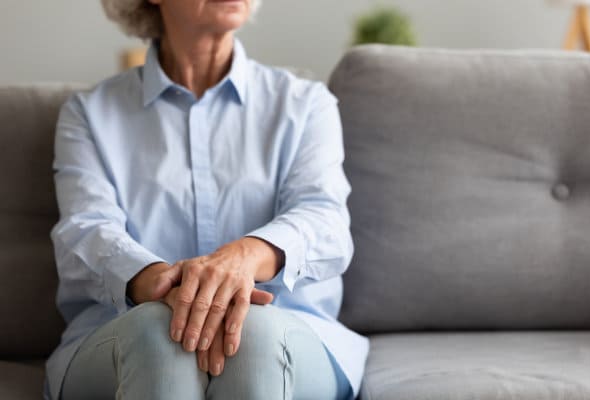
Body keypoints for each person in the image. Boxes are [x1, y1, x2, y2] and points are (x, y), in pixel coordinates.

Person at [43, 0, 369, 399]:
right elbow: (85, 231)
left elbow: (326, 221)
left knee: (254, 333)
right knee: (158, 333)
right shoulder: (90, 115)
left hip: (289, 331)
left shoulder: (305, 104)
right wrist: (168, 289)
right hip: (126, 331)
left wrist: (244, 257)